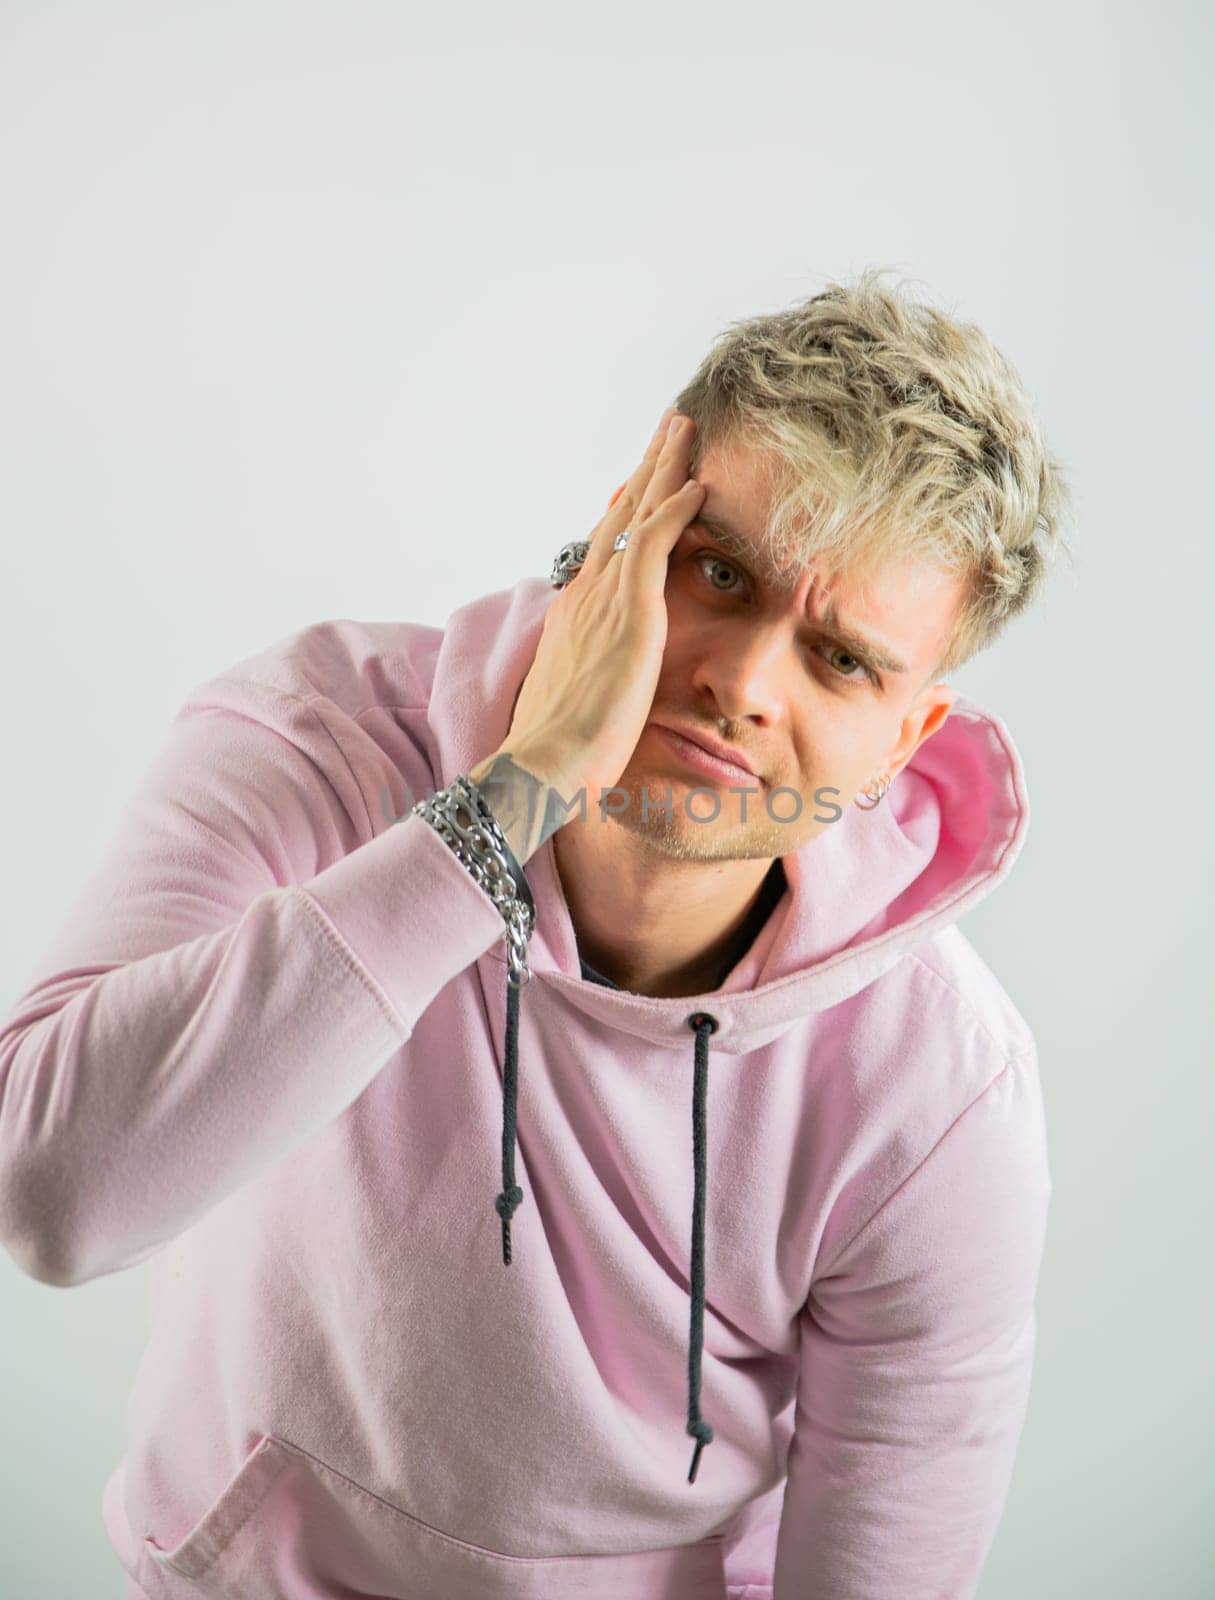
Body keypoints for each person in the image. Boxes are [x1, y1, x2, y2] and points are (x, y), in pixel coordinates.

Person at [0, 267, 1073, 1599]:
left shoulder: (942, 1091)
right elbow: (51, 1196)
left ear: (910, 741)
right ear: (627, 523)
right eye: (718, 573)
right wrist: (507, 804)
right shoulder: (316, 742)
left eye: (841, 658)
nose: (741, 683)